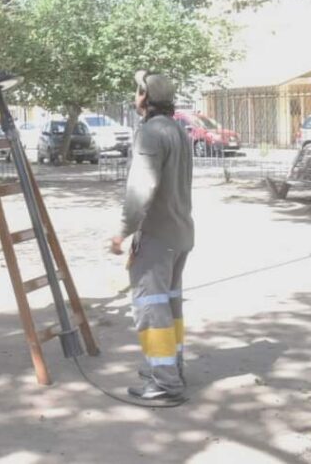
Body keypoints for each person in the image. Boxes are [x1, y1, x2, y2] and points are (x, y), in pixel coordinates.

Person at [109, 70, 193, 403]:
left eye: (136, 91)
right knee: (170, 306)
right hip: (180, 233)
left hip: (158, 237)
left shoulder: (150, 134)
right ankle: (171, 370)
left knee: (151, 308)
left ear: (145, 97)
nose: (134, 96)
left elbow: (141, 188)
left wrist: (122, 232)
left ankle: (164, 383)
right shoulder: (177, 130)